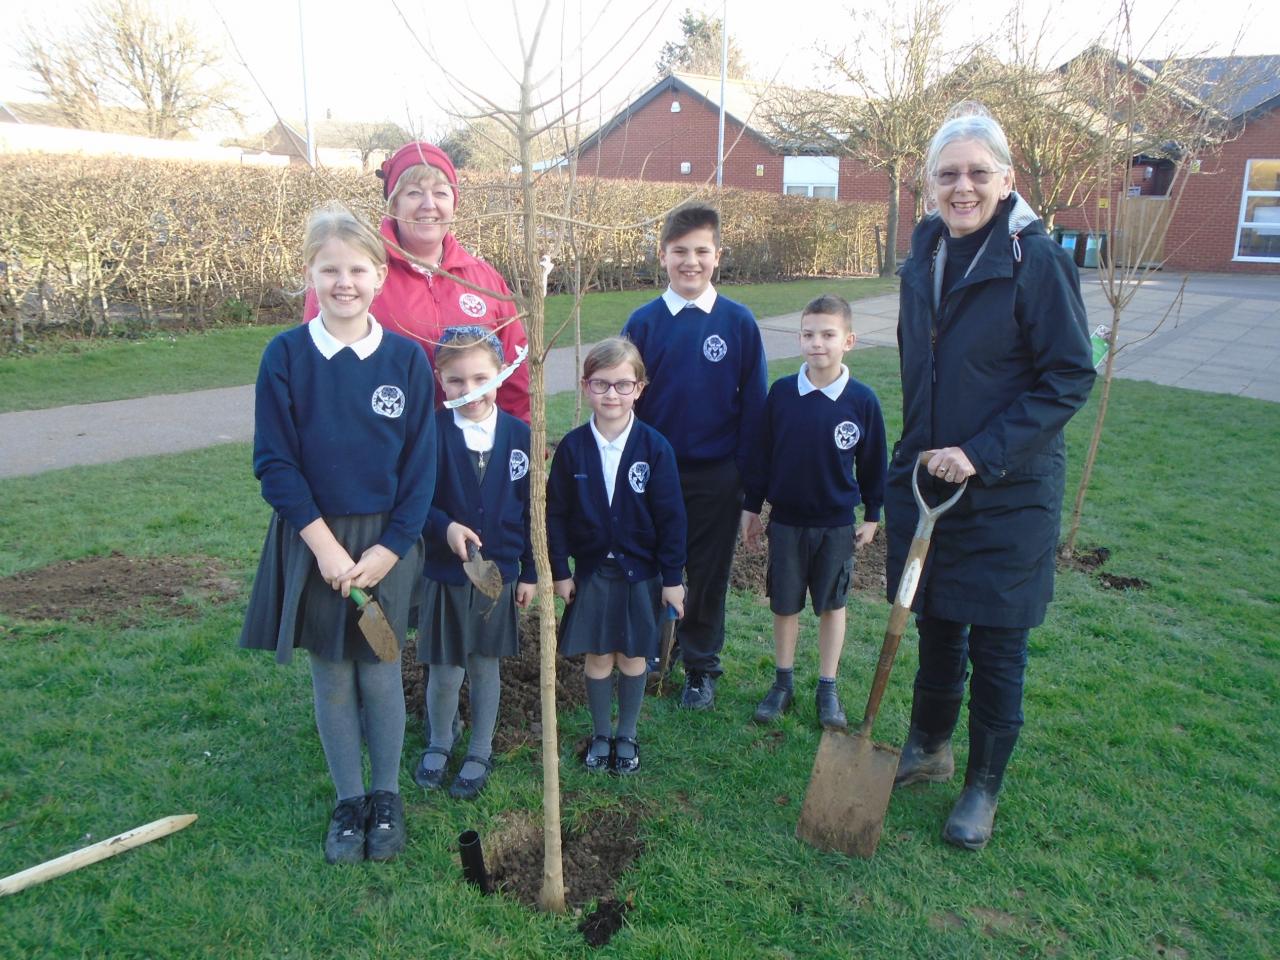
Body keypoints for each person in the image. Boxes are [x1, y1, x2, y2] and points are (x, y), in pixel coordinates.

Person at [887, 105, 1096, 851]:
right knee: (937, 622)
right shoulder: (926, 255)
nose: (963, 187)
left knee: (998, 644)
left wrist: (981, 451)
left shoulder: (1036, 261)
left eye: (979, 173)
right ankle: (929, 745)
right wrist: (914, 455)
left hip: (1008, 489)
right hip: (933, 484)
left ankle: (983, 785)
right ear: (929, 185)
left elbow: (1070, 375)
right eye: (948, 175)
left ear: (1007, 179)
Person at [239, 203, 436, 865]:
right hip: (314, 542)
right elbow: (274, 461)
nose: (344, 281)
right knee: (331, 675)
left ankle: (385, 797)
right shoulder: (286, 356)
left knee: (380, 670)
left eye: (357, 268)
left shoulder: (407, 361)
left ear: (380, 275)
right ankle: (348, 801)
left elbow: (420, 468)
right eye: (330, 269)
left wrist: (385, 552)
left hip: (388, 546)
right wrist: (325, 547)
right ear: (309, 274)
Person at [621, 204, 767, 710]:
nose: (690, 261)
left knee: (706, 571)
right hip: (652, 471)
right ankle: (649, 651)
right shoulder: (642, 323)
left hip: (716, 475)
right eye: (679, 251)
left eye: (701, 251)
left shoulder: (738, 323)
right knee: (648, 559)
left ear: (718, 256)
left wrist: (751, 488)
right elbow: (623, 399)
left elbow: (754, 409)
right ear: (662, 256)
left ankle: (700, 663)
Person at [302, 141, 530, 421]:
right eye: (414, 193)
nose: (428, 205)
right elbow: (316, 372)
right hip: (389, 452)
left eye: (440, 193)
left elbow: (516, 375)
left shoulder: (483, 279)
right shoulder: (355, 275)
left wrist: (522, 447)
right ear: (393, 203)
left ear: (453, 203)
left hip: (470, 456)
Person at [741, 294, 886, 731]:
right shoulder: (783, 393)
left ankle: (828, 686)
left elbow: (875, 463)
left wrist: (873, 515)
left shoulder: (862, 400)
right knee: (784, 604)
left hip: (836, 524)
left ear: (849, 341)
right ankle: (782, 683)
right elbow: (763, 456)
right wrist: (752, 508)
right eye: (808, 334)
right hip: (785, 521)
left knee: (831, 605)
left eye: (828, 335)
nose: (816, 343)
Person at [547, 338, 686, 774]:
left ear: (640, 388)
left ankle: (626, 733)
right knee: (599, 655)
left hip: (640, 573)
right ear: (586, 386)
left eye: (623, 385)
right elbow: (556, 514)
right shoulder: (572, 449)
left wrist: (672, 577)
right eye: (601, 384)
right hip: (591, 572)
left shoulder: (655, 448)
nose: (612, 395)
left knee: (632, 655)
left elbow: (672, 518)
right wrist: (559, 569)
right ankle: (600, 734)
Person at [412, 326, 536, 800]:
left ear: (501, 376)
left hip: (497, 576)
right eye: (456, 381)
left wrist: (529, 572)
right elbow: (416, 503)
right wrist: (445, 527)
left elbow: (531, 511)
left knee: (486, 667)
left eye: (480, 377)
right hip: (446, 573)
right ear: (440, 380)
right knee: (445, 670)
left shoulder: (520, 436)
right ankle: (441, 738)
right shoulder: (433, 434)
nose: (469, 390)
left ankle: (480, 747)